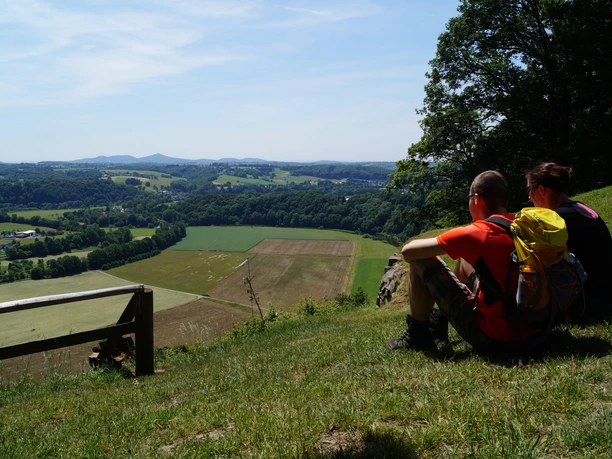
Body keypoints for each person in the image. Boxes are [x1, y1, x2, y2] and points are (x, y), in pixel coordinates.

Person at [389, 170, 544, 351]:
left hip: (495, 336)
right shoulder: (519, 226)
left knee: (419, 261)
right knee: (465, 259)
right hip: (533, 329)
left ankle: (418, 335)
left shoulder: (478, 233)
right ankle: (438, 322)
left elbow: (408, 252)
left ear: (476, 199)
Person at [526, 163, 612, 320]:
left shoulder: (558, 221)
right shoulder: (580, 207)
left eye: (529, 190)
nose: (529, 197)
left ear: (541, 190)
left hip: (592, 301)